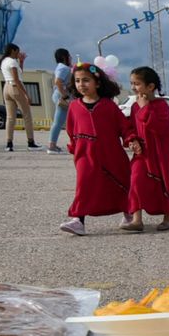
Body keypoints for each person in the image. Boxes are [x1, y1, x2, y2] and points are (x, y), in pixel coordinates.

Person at [59, 63, 132, 236]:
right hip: (85, 154)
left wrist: (131, 139)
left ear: (97, 83)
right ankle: (78, 220)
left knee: (120, 183)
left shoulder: (108, 106)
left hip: (111, 153)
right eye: (77, 81)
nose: (81, 84)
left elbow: (124, 127)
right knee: (84, 185)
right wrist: (74, 148)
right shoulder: (75, 107)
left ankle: (129, 213)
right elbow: (71, 130)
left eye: (86, 80)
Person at [123, 66, 169, 232]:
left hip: (160, 153)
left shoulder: (161, 105)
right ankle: (136, 219)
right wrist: (132, 140)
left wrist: (144, 107)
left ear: (150, 87)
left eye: (137, 84)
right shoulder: (135, 106)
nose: (134, 87)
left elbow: (158, 128)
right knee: (135, 180)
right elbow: (132, 128)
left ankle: (168, 217)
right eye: (132, 83)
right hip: (142, 153)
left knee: (165, 184)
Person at [0, 43, 38, 151]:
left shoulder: (4, 61)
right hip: (15, 87)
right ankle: (31, 142)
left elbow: (19, 73)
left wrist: (21, 62)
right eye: (17, 51)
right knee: (27, 115)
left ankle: (9, 143)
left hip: (6, 87)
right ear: (13, 50)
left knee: (10, 117)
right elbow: (17, 79)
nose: (18, 53)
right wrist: (26, 94)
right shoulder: (12, 62)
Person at [47, 49, 73, 154]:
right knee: (58, 122)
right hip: (61, 96)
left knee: (60, 121)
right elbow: (58, 81)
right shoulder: (64, 68)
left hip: (58, 94)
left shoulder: (61, 67)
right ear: (64, 57)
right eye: (69, 55)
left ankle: (52, 145)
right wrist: (65, 95)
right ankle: (51, 146)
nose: (71, 58)